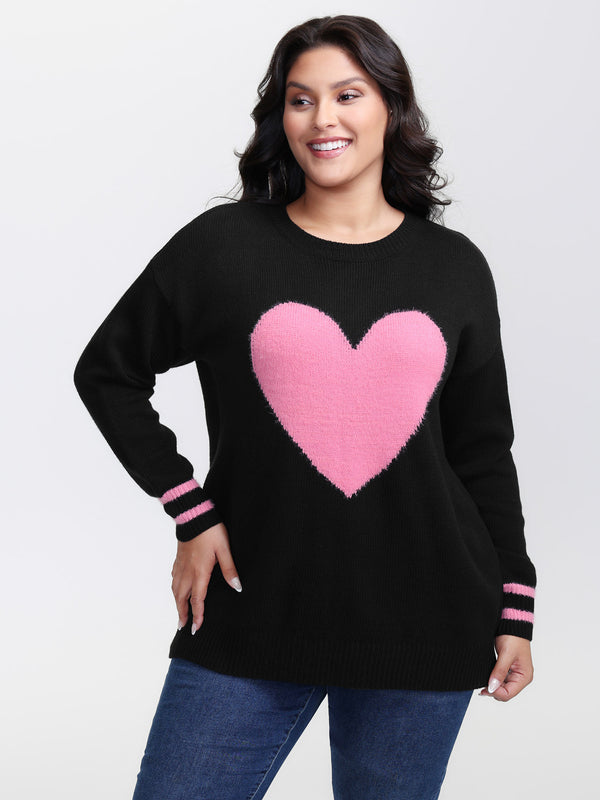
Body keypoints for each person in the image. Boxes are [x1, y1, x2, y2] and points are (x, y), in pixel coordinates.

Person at [73, 14, 537, 800]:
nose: (324, 118)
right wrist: (190, 510)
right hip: (254, 610)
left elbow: (482, 450)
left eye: (348, 95)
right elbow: (107, 373)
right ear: (280, 117)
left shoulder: (454, 267)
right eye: (300, 99)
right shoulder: (221, 248)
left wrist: (516, 606)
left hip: (426, 621)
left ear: (391, 107)